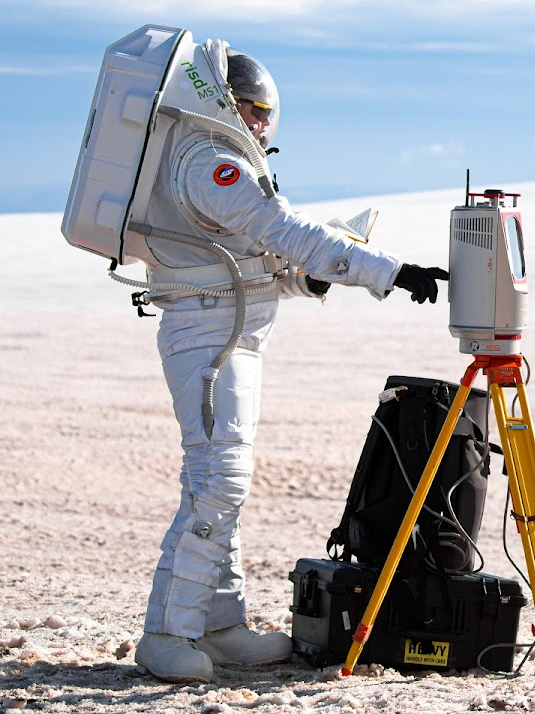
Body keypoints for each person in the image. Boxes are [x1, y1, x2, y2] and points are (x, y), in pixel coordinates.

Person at [130, 47, 448, 683]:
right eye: (253, 108)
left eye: (267, 111)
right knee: (216, 481)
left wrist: (312, 282)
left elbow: (259, 262)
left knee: (221, 482)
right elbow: (286, 233)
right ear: (222, 103)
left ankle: (219, 624)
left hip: (230, 330)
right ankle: (169, 632)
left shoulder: (214, 162)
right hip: (208, 336)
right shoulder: (210, 163)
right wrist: (388, 270)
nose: (261, 122)